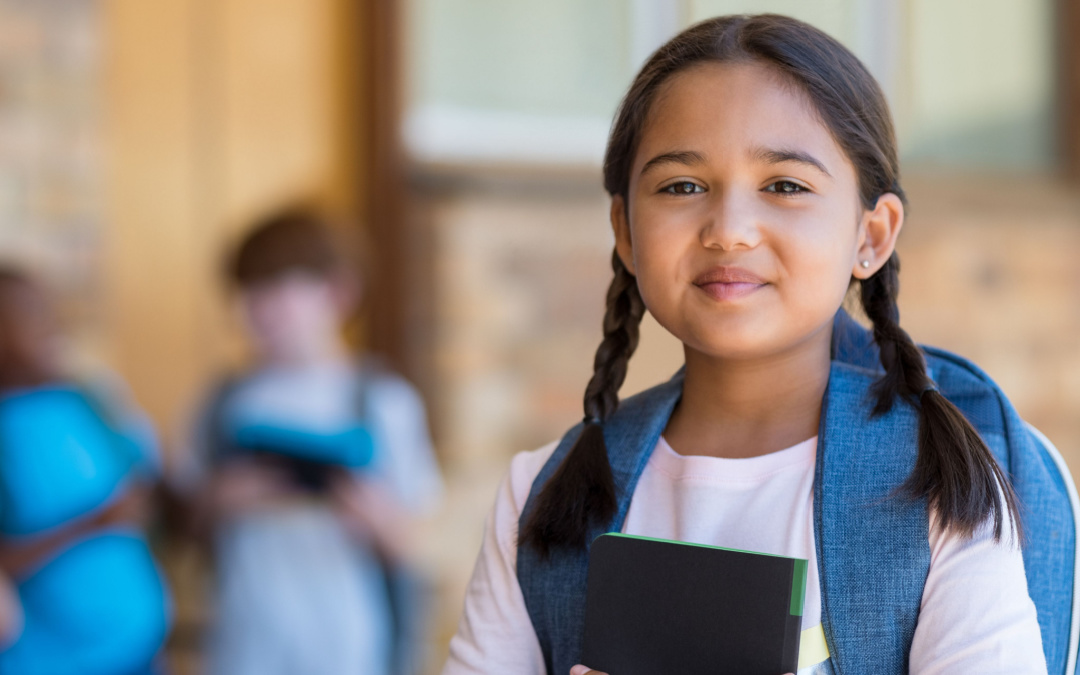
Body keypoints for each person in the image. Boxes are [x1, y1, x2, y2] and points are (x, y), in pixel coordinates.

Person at [442, 14, 1048, 675]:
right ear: (624, 228)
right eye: (682, 186)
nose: (729, 230)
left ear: (871, 235)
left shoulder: (939, 484)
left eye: (785, 186)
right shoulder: (540, 494)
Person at [183, 208, 443, 675]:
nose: (254, 310)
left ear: (337, 291)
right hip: (243, 644)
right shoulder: (220, 401)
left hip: (351, 645)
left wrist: (374, 518)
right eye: (246, 292)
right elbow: (185, 526)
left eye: (274, 289)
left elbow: (415, 543)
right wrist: (219, 499)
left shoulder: (385, 402)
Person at [0, 267, 170, 674]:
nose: (53, 325)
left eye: (50, 310)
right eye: (30, 314)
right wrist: (93, 523)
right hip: (57, 659)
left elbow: (146, 482)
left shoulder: (88, 398)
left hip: (141, 647)